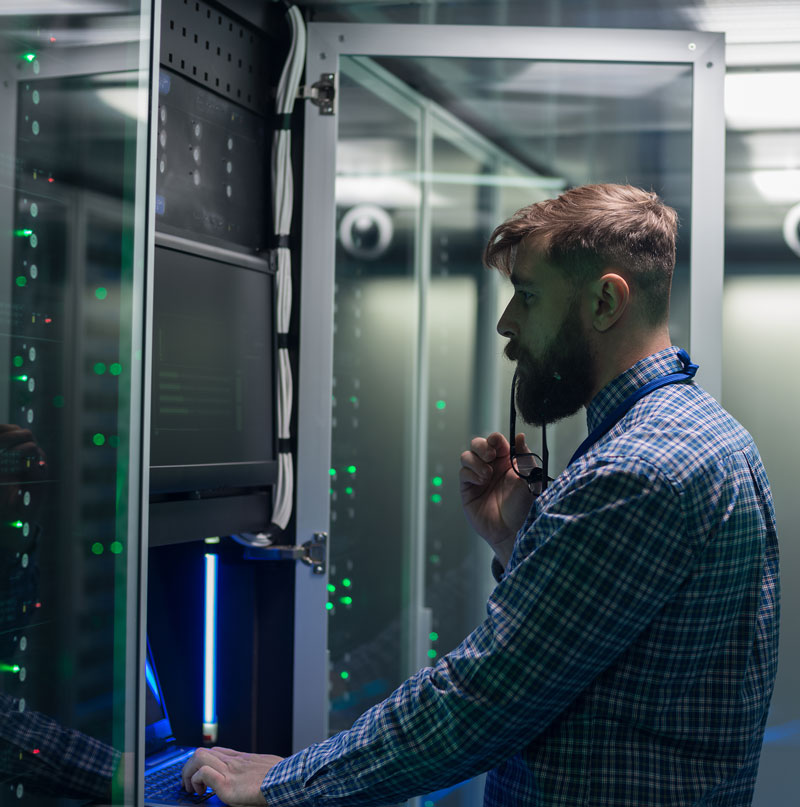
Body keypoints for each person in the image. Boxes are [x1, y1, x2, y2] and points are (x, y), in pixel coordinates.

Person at [181, 184, 779, 806]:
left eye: (527, 296)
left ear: (606, 300)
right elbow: (632, 666)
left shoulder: (635, 469)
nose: (506, 324)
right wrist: (516, 539)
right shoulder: (702, 431)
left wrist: (283, 784)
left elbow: (482, 699)